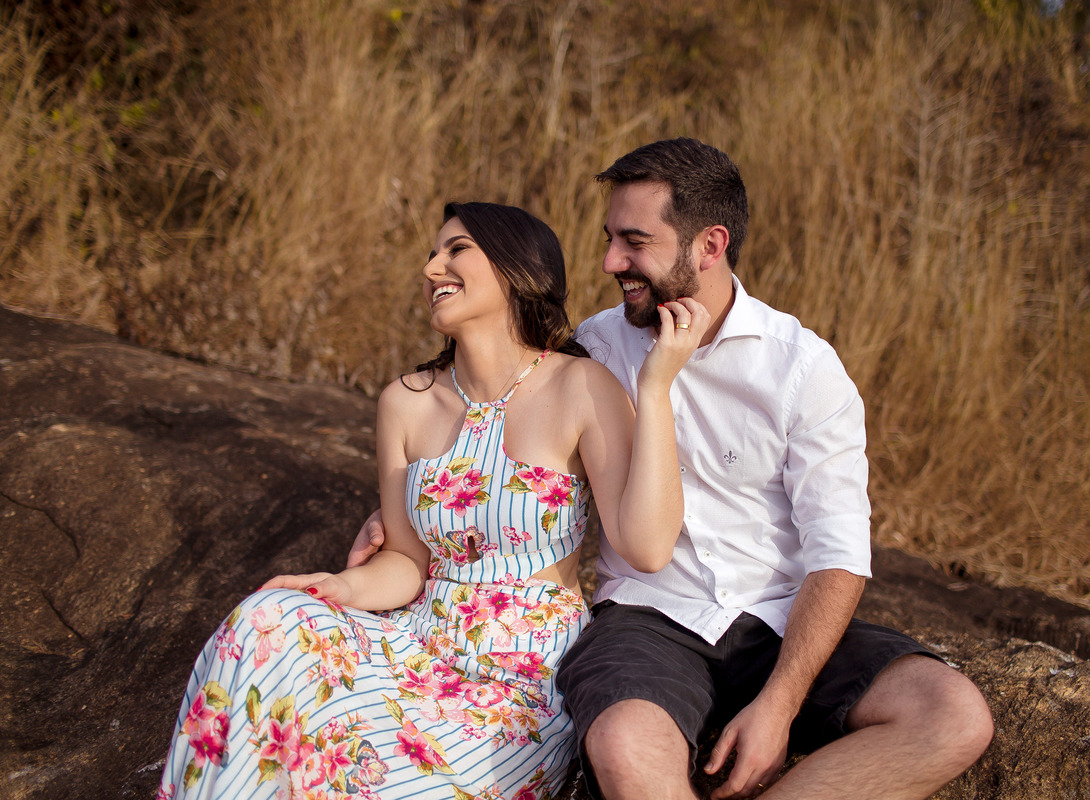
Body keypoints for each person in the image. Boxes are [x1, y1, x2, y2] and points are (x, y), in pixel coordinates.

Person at [349, 140, 995, 800]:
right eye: (609, 239)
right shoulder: (593, 348)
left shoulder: (801, 368)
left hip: (777, 619)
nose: (610, 262)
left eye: (634, 242)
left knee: (952, 716)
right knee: (624, 746)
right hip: (644, 623)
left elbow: (839, 554)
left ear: (710, 245)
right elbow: (499, 427)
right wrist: (414, 510)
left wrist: (778, 707)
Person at [157, 201, 708, 800]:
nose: (431, 268)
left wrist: (656, 386)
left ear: (516, 268)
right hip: (415, 641)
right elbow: (406, 560)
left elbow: (647, 547)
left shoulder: (581, 386)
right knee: (265, 619)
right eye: (432, 254)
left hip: (520, 678)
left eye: (456, 250)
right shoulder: (405, 401)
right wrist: (340, 587)